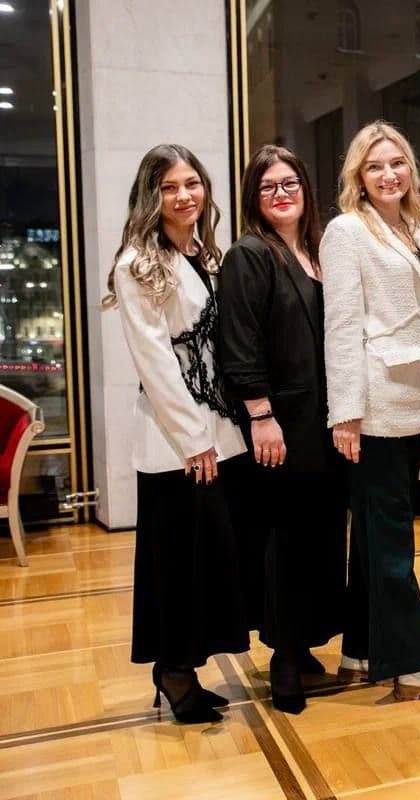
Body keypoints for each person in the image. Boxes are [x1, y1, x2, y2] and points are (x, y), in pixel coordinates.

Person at [321, 120, 420, 702]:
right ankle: (415, 662)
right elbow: (341, 327)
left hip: (412, 397)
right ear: (358, 176)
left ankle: (361, 648)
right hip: (372, 406)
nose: (388, 174)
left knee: (375, 535)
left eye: (397, 163)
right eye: (375, 166)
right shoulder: (346, 231)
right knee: (391, 538)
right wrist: (345, 413)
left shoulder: (412, 228)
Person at [102, 144, 249, 723]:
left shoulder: (200, 253)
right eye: (169, 187)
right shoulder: (137, 263)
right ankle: (174, 672)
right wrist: (193, 439)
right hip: (177, 442)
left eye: (192, 183)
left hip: (217, 428)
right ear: (151, 196)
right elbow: (156, 361)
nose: (184, 195)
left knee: (206, 560)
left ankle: (185, 665)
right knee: (176, 564)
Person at [217, 145, 365, 714]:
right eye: (268, 186)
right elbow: (240, 342)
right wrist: (260, 415)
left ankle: (302, 642)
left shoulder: (318, 251)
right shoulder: (249, 254)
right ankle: (282, 658)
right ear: (254, 198)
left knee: (321, 535)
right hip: (280, 422)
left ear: (306, 189)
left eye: (290, 183)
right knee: (283, 539)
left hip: (325, 421)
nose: (281, 194)